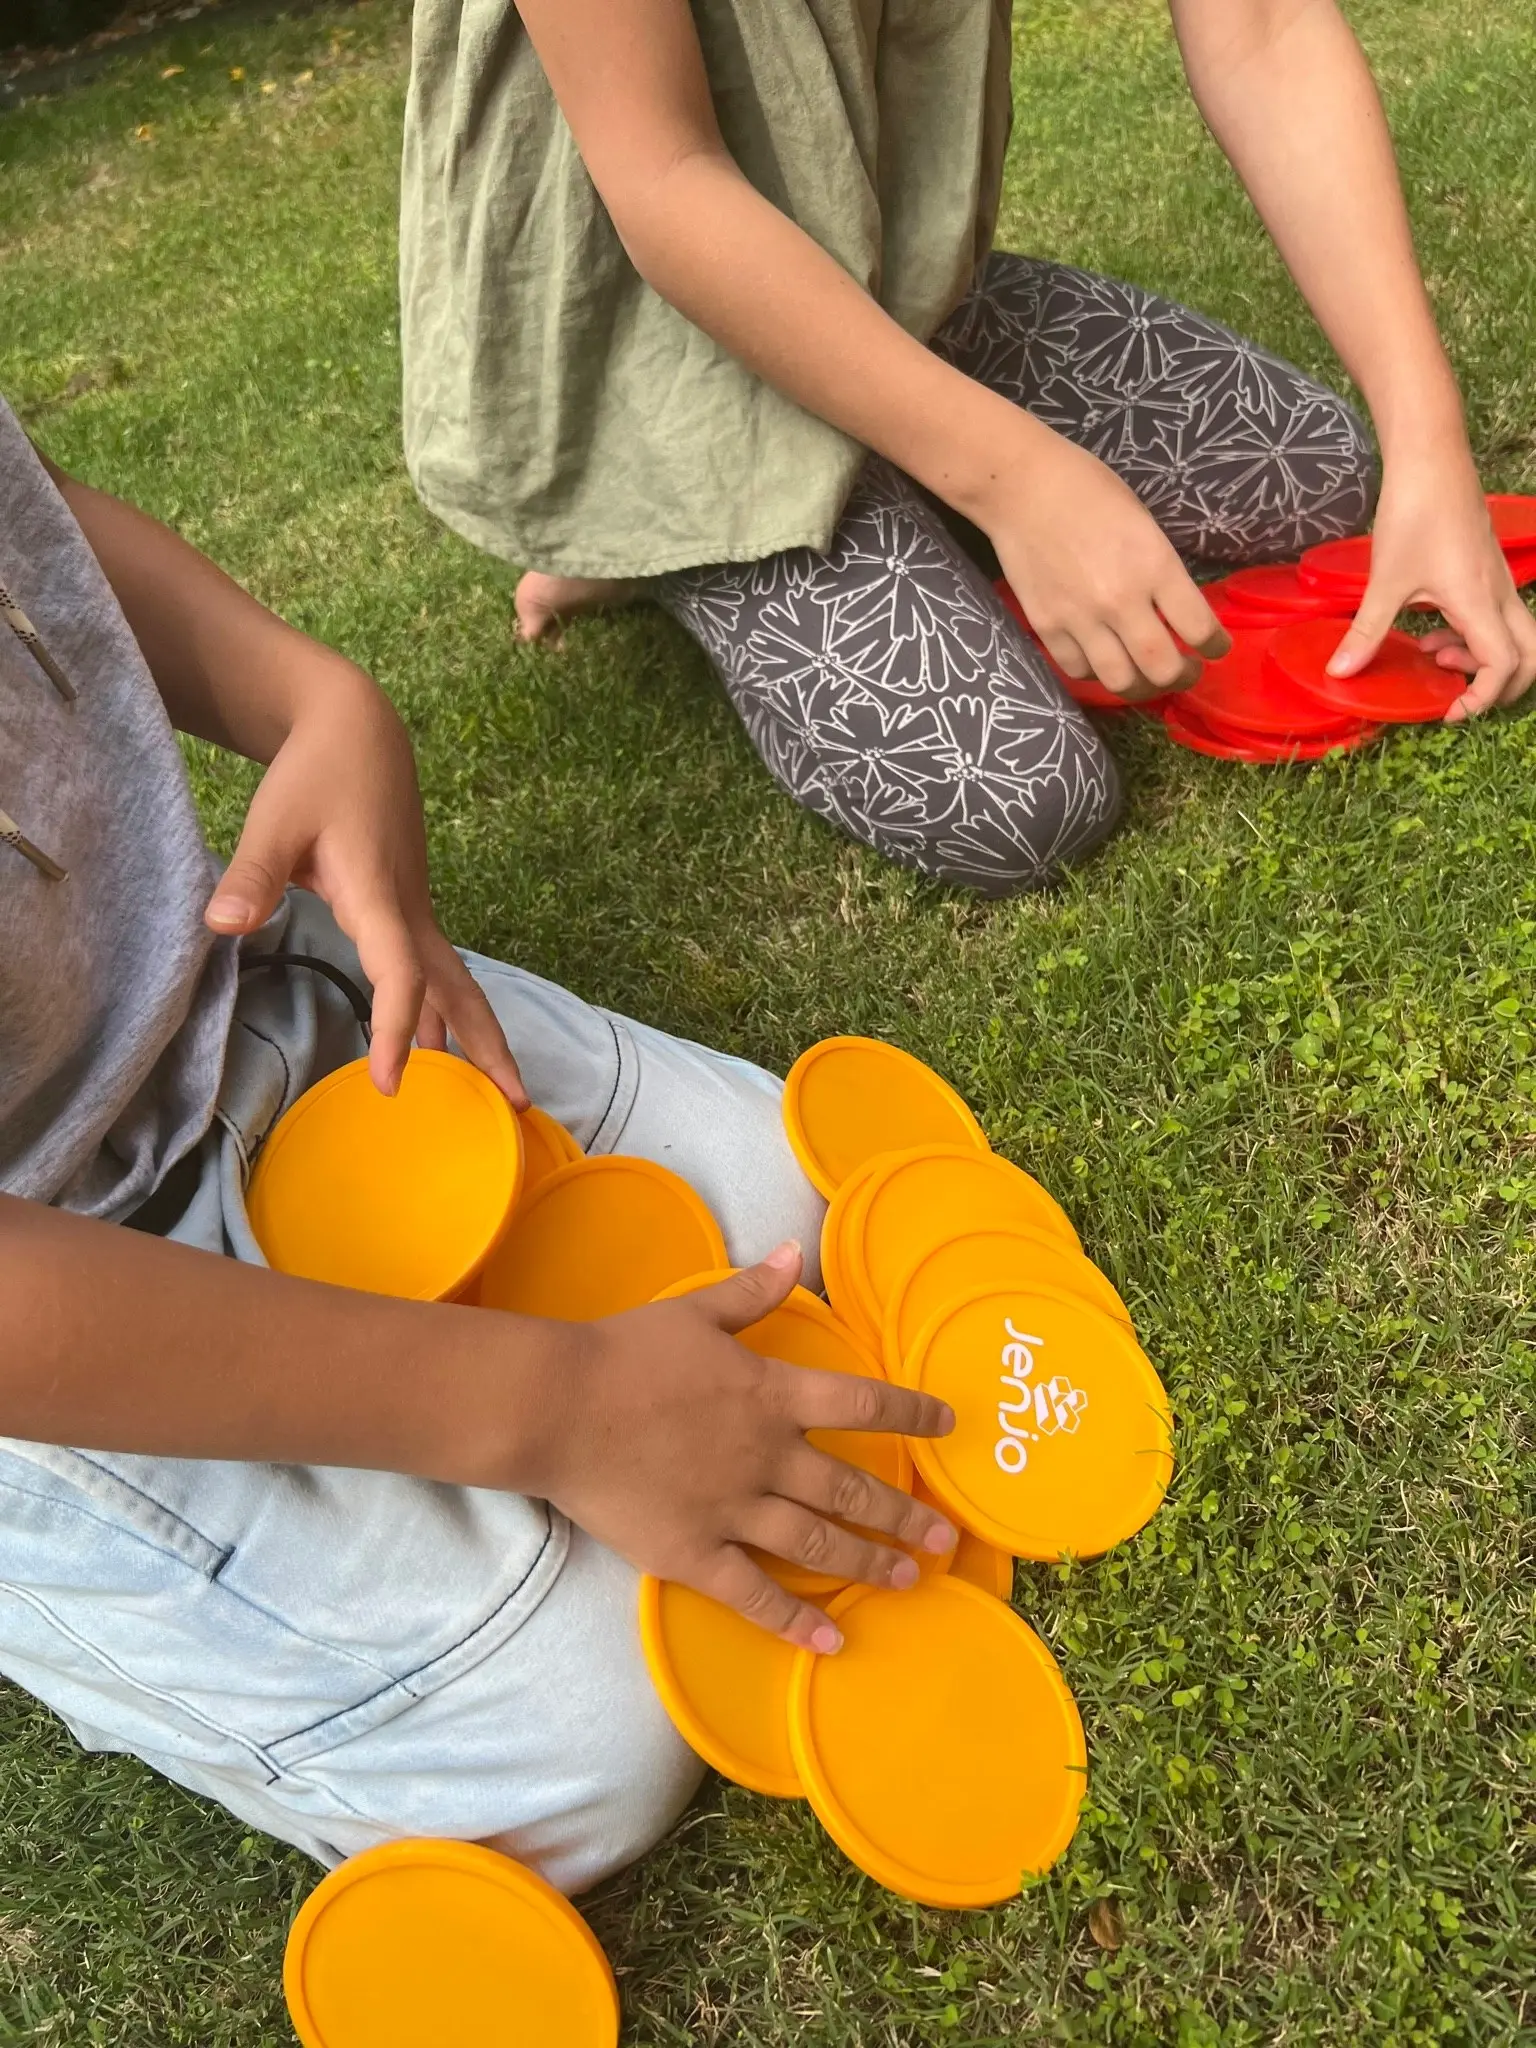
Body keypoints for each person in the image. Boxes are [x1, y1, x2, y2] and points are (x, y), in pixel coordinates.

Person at [0, 395, 958, 1893]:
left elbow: (31, 518)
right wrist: (564, 1407)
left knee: (806, 1207)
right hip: (51, 1330)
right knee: (596, 1742)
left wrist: (316, 702)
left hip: (244, 1006)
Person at [400, 0, 1536, 896]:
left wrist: (1427, 442)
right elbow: (664, 176)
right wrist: (1021, 480)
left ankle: (891, 452)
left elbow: (1266, 28)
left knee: (1323, 473)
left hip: (894, 289)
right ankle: (648, 526)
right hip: (660, 360)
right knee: (1017, 797)